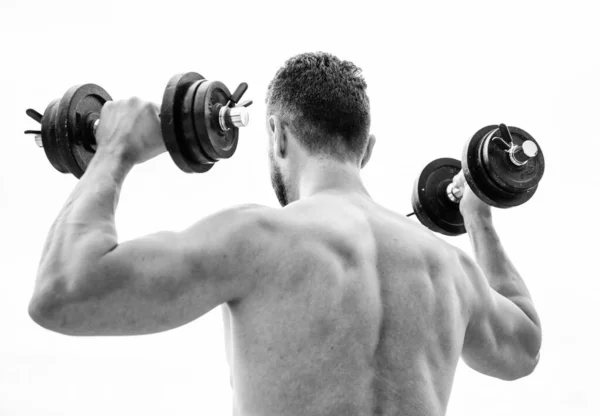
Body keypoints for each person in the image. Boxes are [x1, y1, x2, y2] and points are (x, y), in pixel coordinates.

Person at [28, 52, 542, 416]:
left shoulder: (258, 237)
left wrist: (114, 152)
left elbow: (62, 294)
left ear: (276, 133)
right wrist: (478, 216)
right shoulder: (448, 269)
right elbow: (524, 349)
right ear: (367, 149)